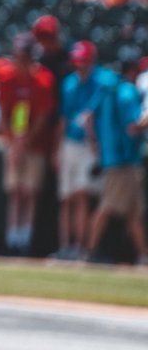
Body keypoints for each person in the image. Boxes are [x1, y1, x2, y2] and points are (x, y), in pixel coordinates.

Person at [0, 32, 57, 255]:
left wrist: (24, 141)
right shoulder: (7, 77)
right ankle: (12, 239)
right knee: (15, 192)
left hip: (35, 145)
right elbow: (4, 113)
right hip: (14, 143)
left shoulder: (43, 79)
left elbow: (43, 117)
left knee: (30, 192)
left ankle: (25, 240)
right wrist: (14, 141)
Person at [52, 41, 112, 261]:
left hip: (90, 145)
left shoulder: (103, 81)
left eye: (84, 61)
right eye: (77, 62)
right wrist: (57, 150)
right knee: (66, 198)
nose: (80, 66)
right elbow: (64, 119)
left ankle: (81, 248)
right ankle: (65, 247)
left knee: (81, 196)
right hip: (70, 144)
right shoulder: (69, 84)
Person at [81, 68, 146, 265]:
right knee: (108, 207)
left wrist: (96, 144)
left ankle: (144, 256)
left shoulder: (107, 89)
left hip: (114, 158)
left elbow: (87, 118)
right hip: (124, 160)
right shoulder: (126, 91)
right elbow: (133, 127)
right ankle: (90, 251)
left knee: (134, 213)